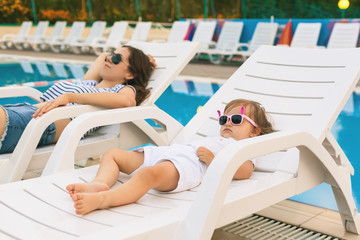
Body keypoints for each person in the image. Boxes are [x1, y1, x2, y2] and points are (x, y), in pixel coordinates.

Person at [66, 98, 274, 215]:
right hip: (172, 153)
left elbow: (245, 171)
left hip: (188, 165)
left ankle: (104, 199)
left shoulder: (245, 147)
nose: (228, 122)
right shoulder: (216, 138)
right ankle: (99, 183)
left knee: (148, 175)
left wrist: (212, 159)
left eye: (237, 119)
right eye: (224, 119)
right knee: (113, 155)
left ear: (254, 131)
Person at [0, 45, 156, 154]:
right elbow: (102, 56)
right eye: (111, 54)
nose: (109, 59)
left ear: (130, 75)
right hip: (24, 111)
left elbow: (127, 102)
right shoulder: (89, 83)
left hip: (36, 124)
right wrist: (143, 59)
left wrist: (70, 96)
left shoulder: (121, 90)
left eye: (116, 58)